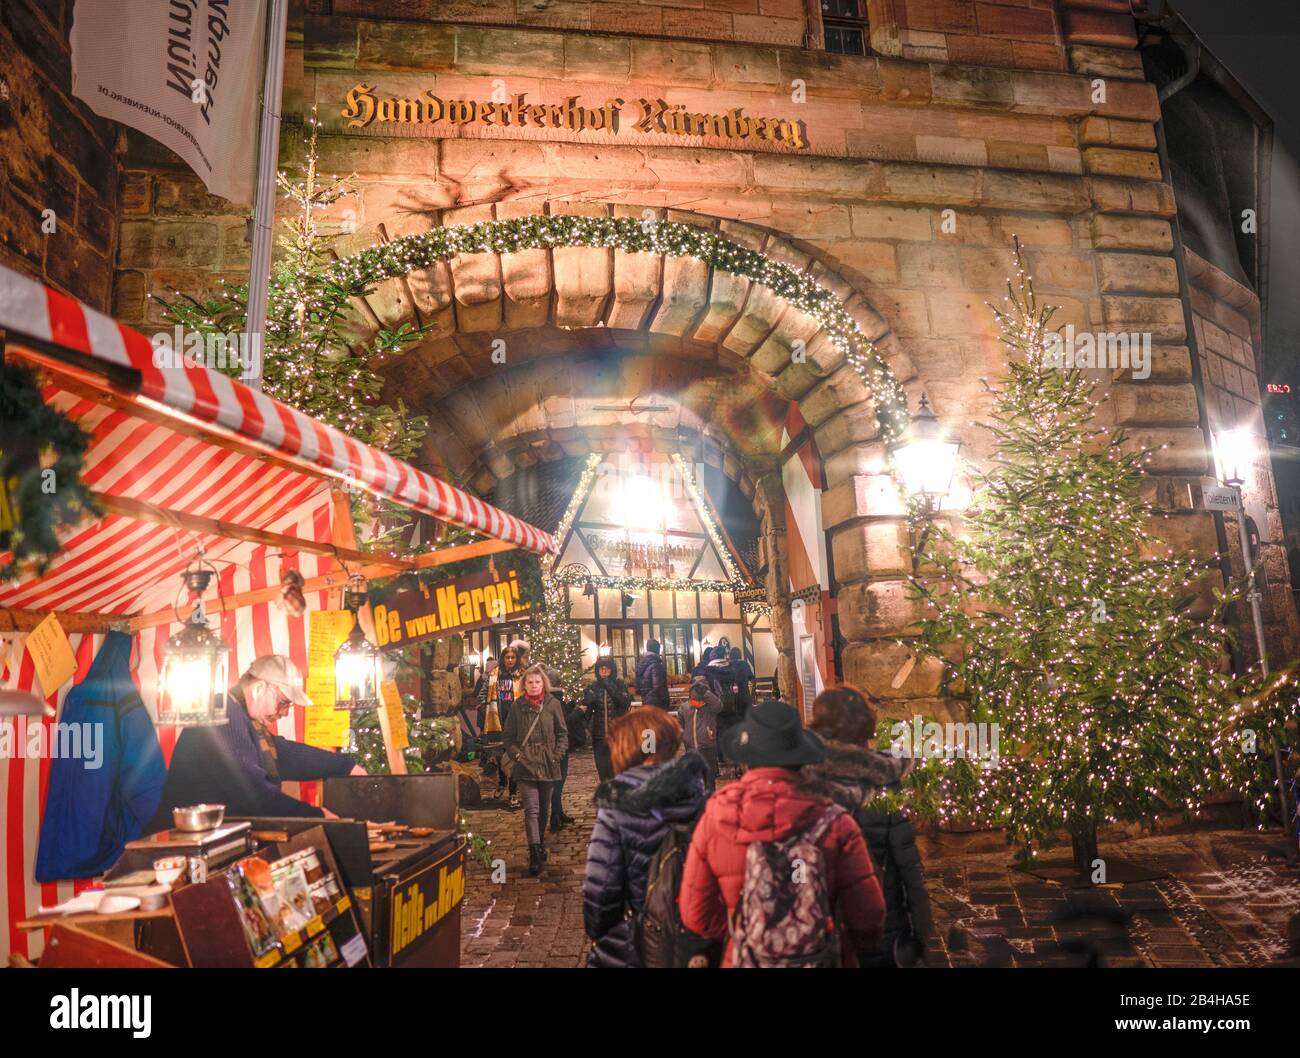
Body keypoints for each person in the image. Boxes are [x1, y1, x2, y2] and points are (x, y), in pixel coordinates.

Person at [678, 699, 886, 966]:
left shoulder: (716, 816)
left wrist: (747, 934)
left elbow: (695, 912)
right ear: (801, 757)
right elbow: (869, 916)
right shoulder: (835, 820)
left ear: (746, 759)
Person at [146, 655, 364, 831]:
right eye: (283, 702)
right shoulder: (222, 717)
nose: (285, 713)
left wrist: (345, 766)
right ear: (260, 688)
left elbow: (285, 754)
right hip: (172, 846)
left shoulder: (242, 719)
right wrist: (316, 816)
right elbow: (254, 795)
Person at [803, 685, 933, 967]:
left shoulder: (798, 783)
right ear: (866, 730)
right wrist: (924, 938)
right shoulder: (884, 786)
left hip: (813, 932)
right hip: (878, 933)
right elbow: (909, 872)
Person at [582, 707, 710, 967]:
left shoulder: (617, 804)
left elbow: (602, 891)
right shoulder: (700, 793)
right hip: (695, 938)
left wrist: (603, 935)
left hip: (636, 942)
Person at [502, 664, 568, 875]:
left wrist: (556, 756)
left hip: (548, 764)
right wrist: (518, 756)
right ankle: (534, 852)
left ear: (543, 684)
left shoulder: (553, 704)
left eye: (537, 682)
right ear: (524, 685)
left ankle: (539, 845)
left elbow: (562, 734)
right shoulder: (516, 706)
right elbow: (508, 737)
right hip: (525, 765)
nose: (533, 686)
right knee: (531, 809)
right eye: (529, 682)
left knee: (544, 810)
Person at [580, 655, 632, 782]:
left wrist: (609, 685)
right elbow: (586, 709)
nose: (603, 671)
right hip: (599, 736)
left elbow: (625, 703)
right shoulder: (593, 687)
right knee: (602, 770)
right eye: (601, 669)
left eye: (606, 669)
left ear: (611, 670)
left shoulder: (619, 685)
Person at [488, 645, 525, 807]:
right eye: (507, 657)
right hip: (498, 720)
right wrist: (485, 708)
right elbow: (484, 694)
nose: (510, 660)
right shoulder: (494, 675)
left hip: (516, 722)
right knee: (499, 755)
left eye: (513, 658)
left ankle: (513, 792)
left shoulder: (521, 675)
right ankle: (502, 782)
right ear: (503, 659)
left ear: (516, 659)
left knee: (513, 757)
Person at [544, 664, 578, 831]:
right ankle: (555, 817)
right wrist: (578, 711)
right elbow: (564, 723)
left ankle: (558, 811)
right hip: (557, 747)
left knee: (558, 780)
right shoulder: (554, 698)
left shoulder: (549, 698)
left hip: (553, 746)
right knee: (558, 780)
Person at [678, 677, 723, 791]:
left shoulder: (710, 708)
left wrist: (705, 693)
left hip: (707, 747)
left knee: (709, 776)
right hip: (690, 747)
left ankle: (710, 799)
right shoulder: (684, 708)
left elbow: (718, 705)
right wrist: (684, 737)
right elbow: (680, 724)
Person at [635, 638, 670, 709]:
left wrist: (646, 698)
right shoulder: (656, 664)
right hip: (657, 703)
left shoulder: (641, 664)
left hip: (645, 701)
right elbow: (658, 687)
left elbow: (638, 688)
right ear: (657, 649)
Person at [729, 647, 755, 721]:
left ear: (730, 655)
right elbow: (751, 678)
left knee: (735, 718)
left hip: (733, 696)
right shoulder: (744, 664)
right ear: (740, 655)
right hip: (745, 694)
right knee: (747, 718)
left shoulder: (729, 665)